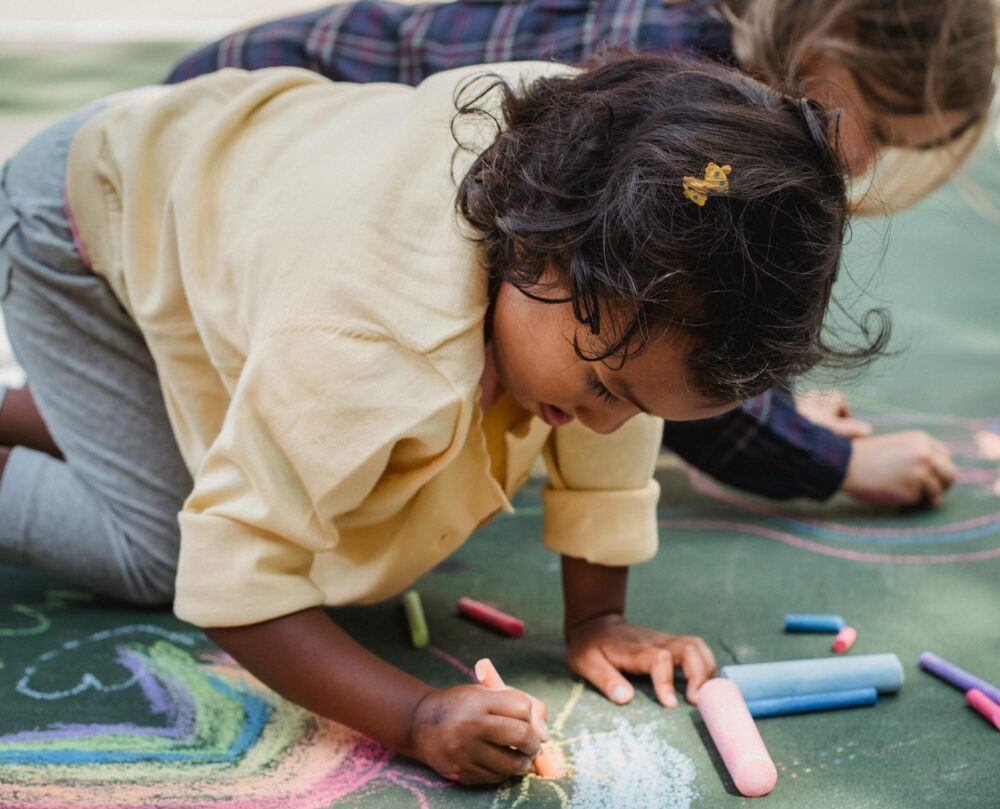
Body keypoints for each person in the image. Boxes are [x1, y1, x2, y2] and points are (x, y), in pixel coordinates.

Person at [0, 52, 876, 782]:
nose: (609, 425)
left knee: (277, 448)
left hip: (226, 191)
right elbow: (230, 576)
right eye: (608, 390)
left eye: (640, 406)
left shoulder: (624, 184)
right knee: (161, 541)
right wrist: (416, 717)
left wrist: (596, 619)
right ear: (536, 247)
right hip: (81, 226)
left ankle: (90, 419)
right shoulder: (369, 337)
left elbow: (624, 407)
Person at [165, 0, 997, 508]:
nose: (862, 163)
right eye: (880, 130)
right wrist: (834, 462)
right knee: (206, 486)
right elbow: (640, 329)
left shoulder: (723, 75)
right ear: (837, 28)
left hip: (286, 150)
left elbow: (657, 345)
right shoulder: (682, 80)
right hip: (229, 150)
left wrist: (767, 403)